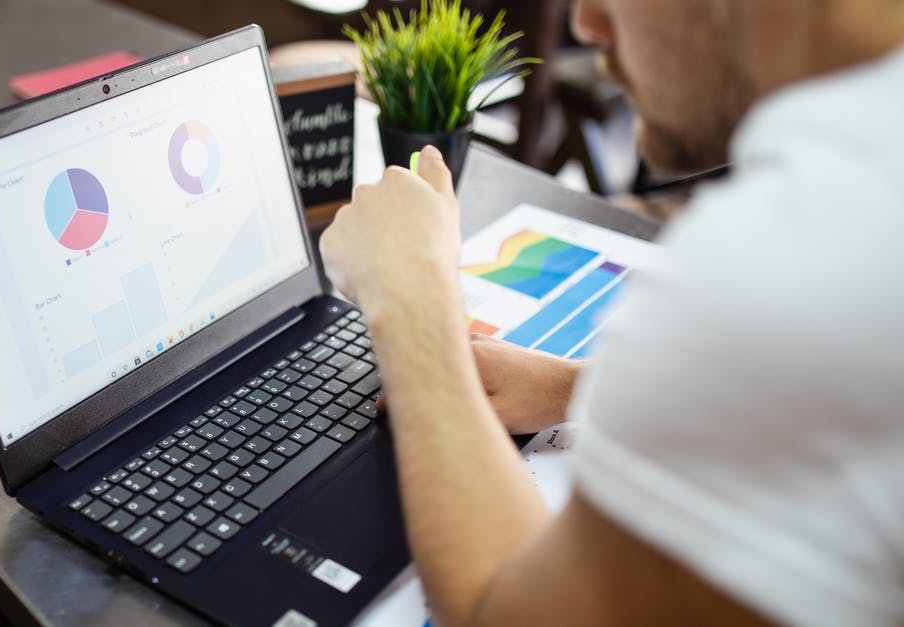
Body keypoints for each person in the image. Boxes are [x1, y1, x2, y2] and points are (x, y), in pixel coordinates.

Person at [319, 0, 904, 625]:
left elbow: (513, 613)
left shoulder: (787, 257)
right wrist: (572, 388)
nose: (586, 24)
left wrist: (412, 300)